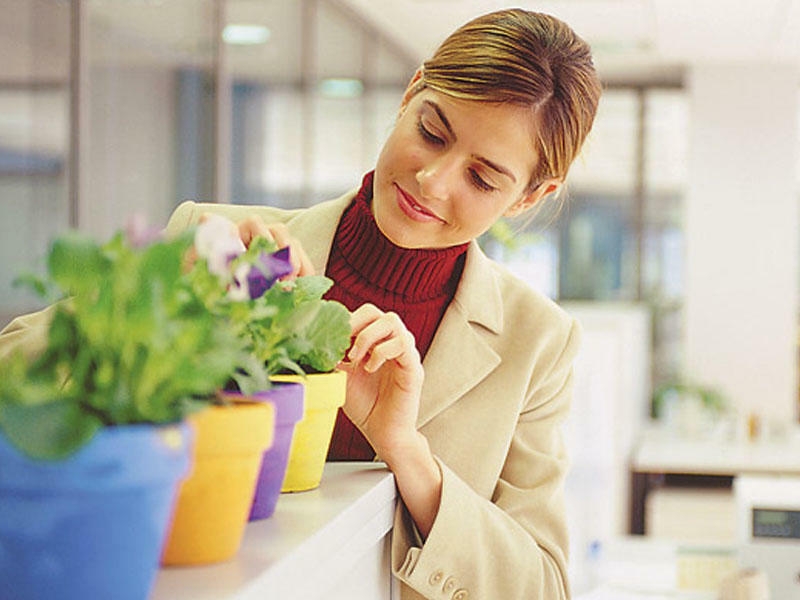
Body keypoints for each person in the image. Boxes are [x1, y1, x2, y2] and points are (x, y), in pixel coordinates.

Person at [0, 9, 601, 599]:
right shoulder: (220, 244)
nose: (433, 181)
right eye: (432, 133)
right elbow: (12, 374)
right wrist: (153, 298)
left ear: (531, 196)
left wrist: (408, 453)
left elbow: (543, 587)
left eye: (483, 178)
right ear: (411, 93)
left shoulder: (536, 342)